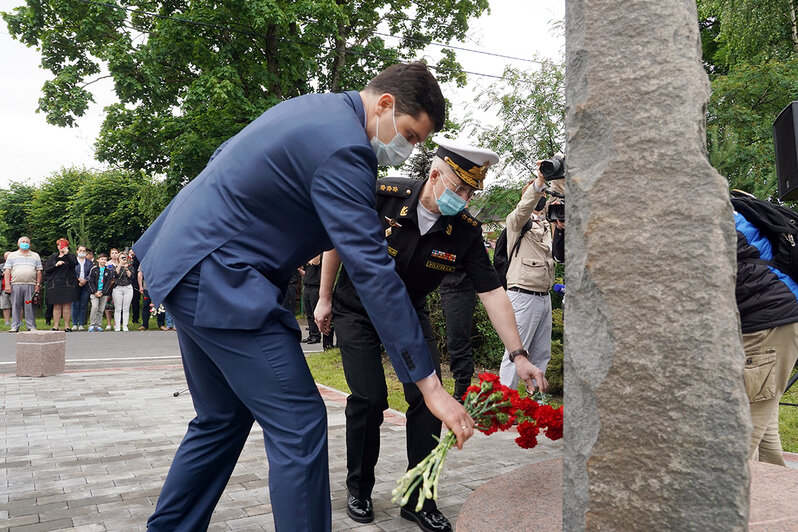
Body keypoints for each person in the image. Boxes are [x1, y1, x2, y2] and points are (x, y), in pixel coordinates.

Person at [134, 62, 473, 532]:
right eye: (412, 136)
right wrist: (430, 387)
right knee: (299, 424)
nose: (408, 150)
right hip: (218, 279)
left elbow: (225, 160)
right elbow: (373, 271)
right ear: (386, 104)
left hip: (181, 261)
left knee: (222, 418)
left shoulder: (314, 110)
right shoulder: (346, 148)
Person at [314, 140, 548, 532]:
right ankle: (359, 488)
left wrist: (519, 354)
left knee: (428, 398)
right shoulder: (383, 195)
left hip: (409, 312)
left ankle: (418, 498)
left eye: (472, 192)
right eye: (460, 188)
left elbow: (491, 292)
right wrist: (323, 299)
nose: (466, 198)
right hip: (358, 309)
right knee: (369, 399)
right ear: (436, 174)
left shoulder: (466, 231)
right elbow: (336, 240)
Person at [734, 193, 798, 465]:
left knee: (740, 433)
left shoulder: (704, 218)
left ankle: (721, 504)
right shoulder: (728, 211)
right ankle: (778, 500)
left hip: (767, 324)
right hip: (781, 317)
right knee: (765, 421)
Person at [498, 169, 557, 389]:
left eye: (544, 197)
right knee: (516, 354)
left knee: (542, 354)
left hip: (544, 296)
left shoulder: (548, 228)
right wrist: (539, 184)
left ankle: (537, 404)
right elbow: (524, 208)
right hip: (522, 295)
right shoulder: (517, 223)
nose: (542, 200)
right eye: (538, 196)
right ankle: (503, 408)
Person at [439, 270, 478, 402]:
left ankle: (462, 394)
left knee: (458, 342)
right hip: (448, 287)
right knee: (456, 341)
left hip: (459, 288)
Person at [3, 237, 43, 332]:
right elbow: (7, 271)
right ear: (18, 244)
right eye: (23, 242)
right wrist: (7, 285)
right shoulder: (12, 255)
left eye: (27, 242)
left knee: (29, 305)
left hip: (30, 284)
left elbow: (39, 271)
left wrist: (38, 284)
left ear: (30, 244)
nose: (25, 243)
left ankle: (31, 326)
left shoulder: (35, 255)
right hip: (16, 284)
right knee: (16, 305)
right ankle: (14, 326)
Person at [43, 238, 78, 331]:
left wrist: (67, 254)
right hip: (55, 284)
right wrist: (56, 265)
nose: (60, 247)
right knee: (56, 306)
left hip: (67, 284)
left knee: (67, 305)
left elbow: (74, 264)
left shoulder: (70, 256)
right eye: (59, 245)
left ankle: (67, 326)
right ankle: (55, 326)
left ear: (66, 246)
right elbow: (47, 270)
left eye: (63, 245)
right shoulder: (53, 257)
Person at [87, 253, 114, 332]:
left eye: (105, 259)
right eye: (102, 259)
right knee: (95, 307)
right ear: (98, 260)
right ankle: (92, 324)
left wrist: (103, 292)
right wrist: (95, 292)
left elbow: (108, 283)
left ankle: (98, 325)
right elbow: (90, 281)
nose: (103, 261)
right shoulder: (94, 269)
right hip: (94, 292)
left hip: (104, 293)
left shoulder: (108, 271)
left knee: (101, 309)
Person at [112, 252, 135, 331]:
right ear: (118, 259)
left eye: (124, 258)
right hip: (118, 288)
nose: (123, 259)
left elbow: (131, 276)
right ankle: (117, 325)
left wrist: (126, 268)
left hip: (128, 288)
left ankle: (125, 325)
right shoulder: (114, 266)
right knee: (118, 308)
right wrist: (120, 265)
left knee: (126, 308)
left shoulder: (130, 267)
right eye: (121, 258)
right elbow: (115, 275)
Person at [302, 255, 323, 344]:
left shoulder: (319, 255)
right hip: (307, 285)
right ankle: (312, 334)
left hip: (315, 287)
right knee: (309, 313)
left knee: (314, 312)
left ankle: (316, 335)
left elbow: (315, 262)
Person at [71, 245, 93, 330]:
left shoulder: (89, 262)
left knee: (83, 305)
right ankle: (74, 323)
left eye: (84, 251)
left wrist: (85, 280)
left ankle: (81, 324)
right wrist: (78, 279)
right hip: (75, 285)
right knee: (75, 304)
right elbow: (71, 272)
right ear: (77, 251)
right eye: (80, 250)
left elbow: (91, 273)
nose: (82, 252)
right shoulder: (73, 261)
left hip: (86, 285)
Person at [104, 248, 119, 330]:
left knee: (117, 306)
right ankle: (109, 323)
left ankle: (115, 323)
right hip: (109, 287)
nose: (114, 254)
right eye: (112, 253)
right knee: (108, 306)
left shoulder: (121, 263)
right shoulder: (107, 264)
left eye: (116, 253)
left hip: (119, 286)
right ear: (110, 255)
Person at [1, 251, 11, 326]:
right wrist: (2, 274)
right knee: (5, 306)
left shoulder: (16, 265)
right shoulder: (1, 266)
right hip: (3, 289)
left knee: (18, 306)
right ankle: (7, 322)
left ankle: (19, 322)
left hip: (15, 287)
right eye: (7, 257)